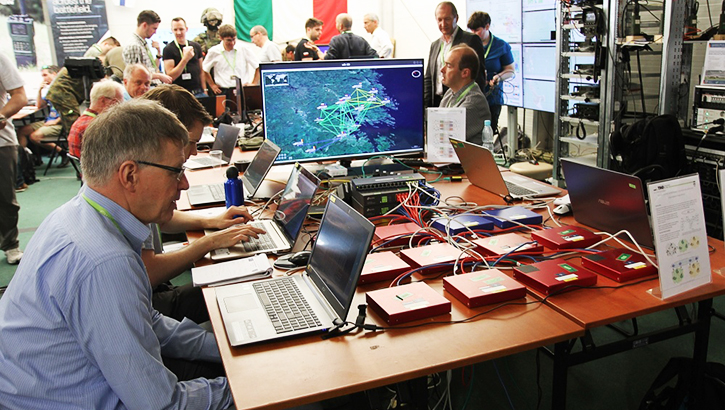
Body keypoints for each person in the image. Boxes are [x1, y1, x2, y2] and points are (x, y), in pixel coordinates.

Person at [0, 99, 234, 408]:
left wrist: (225, 348)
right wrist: (253, 383)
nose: (184, 184)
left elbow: (146, 321)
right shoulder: (105, 261)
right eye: (175, 171)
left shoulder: (75, 215)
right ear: (129, 175)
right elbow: (162, 404)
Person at [141, 84, 264, 322]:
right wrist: (210, 241)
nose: (196, 151)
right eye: (191, 142)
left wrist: (211, 221)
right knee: (242, 285)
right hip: (152, 300)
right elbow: (150, 273)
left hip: (152, 292)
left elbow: (163, 220)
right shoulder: (143, 187)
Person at [424, 1, 487, 108]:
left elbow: (478, 76)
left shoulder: (470, 40)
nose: (443, 24)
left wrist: (474, 104)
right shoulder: (435, 45)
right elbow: (429, 78)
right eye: (440, 20)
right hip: (437, 103)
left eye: (447, 19)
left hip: (460, 103)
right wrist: (426, 108)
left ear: (456, 18)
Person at [0, 52, 28, 265]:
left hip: (1, 141)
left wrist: (2, 115)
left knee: (4, 198)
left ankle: (11, 245)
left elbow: (19, 96)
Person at [468, 12, 514, 134]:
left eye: (477, 30)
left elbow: (510, 70)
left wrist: (498, 77)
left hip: (492, 99)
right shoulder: (468, 44)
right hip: (471, 98)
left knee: (488, 133)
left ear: (487, 27)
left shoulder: (501, 46)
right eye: (471, 30)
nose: (473, 34)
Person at [16, 65, 67, 169]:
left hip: (60, 122)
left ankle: (62, 152)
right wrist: (39, 90)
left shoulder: (63, 88)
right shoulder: (50, 89)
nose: (44, 78)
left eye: (45, 75)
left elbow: (69, 111)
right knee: (22, 131)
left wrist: (56, 122)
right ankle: (23, 161)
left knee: (34, 137)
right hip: (48, 120)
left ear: (54, 74)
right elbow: (40, 106)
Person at [440, 44, 491, 145]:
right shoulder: (450, 92)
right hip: (449, 158)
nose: (442, 70)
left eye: (449, 66)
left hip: (464, 160)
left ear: (465, 73)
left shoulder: (473, 102)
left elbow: (442, 137)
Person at [68, 79, 125, 159]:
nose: (120, 107)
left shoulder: (80, 122)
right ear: (103, 101)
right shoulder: (98, 127)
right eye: (118, 102)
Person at [203, 24, 260, 96]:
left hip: (242, 89)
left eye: (234, 39)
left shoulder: (243, 48)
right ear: (221, 38)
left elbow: (258, 66)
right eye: (228, 40)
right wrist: (212, 85)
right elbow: (204, 69)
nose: (232, 43)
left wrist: (254, 83)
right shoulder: (214, 51)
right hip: (223, 90)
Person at [122, 10, 172, 86]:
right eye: (154, 28)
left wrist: (158, 53)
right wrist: (159, 76)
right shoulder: (134, 46)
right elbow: (136, 75)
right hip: (146, 89)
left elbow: (151, 68)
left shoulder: (142, 43)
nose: (155, 32)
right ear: (144, 25)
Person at [163, 17, 206, 97]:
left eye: (181, 29)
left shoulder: (196, 46)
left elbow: (201, 71)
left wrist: (205, 89)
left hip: (198, 92)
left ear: (186, 29)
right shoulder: (168, 49)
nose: (178, 32)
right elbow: (171, 76)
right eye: (175, 30)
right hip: (179, 94)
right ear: (172, 30)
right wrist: (185, 59)